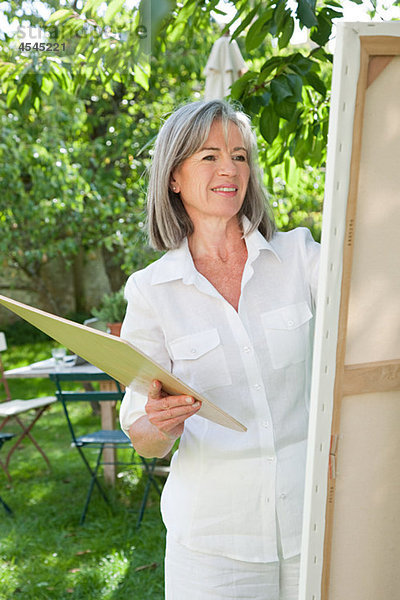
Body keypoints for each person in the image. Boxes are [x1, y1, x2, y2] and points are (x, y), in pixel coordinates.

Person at [119, 99, 320, 600]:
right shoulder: (151, 290)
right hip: (213, 543)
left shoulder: (300, 256)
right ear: (174, 177)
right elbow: (143, 435)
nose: (229, 169)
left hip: (313, 523)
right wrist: (160, 421)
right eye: (209, 156)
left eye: (240, 155)